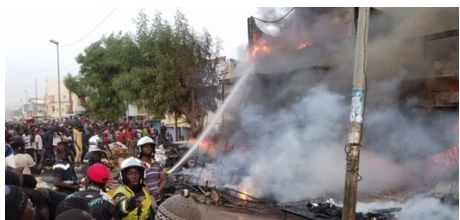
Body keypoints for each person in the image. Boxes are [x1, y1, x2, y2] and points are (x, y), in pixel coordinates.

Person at [137, 137, 167, 206]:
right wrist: (149, 196)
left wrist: (158, 190)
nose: (149, 148)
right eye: (146, 146)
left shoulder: (157, 164)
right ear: (140, 148)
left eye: (150, 146)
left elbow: (164, 180)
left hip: (157, 200)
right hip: (143, 202)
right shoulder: (137, 165)